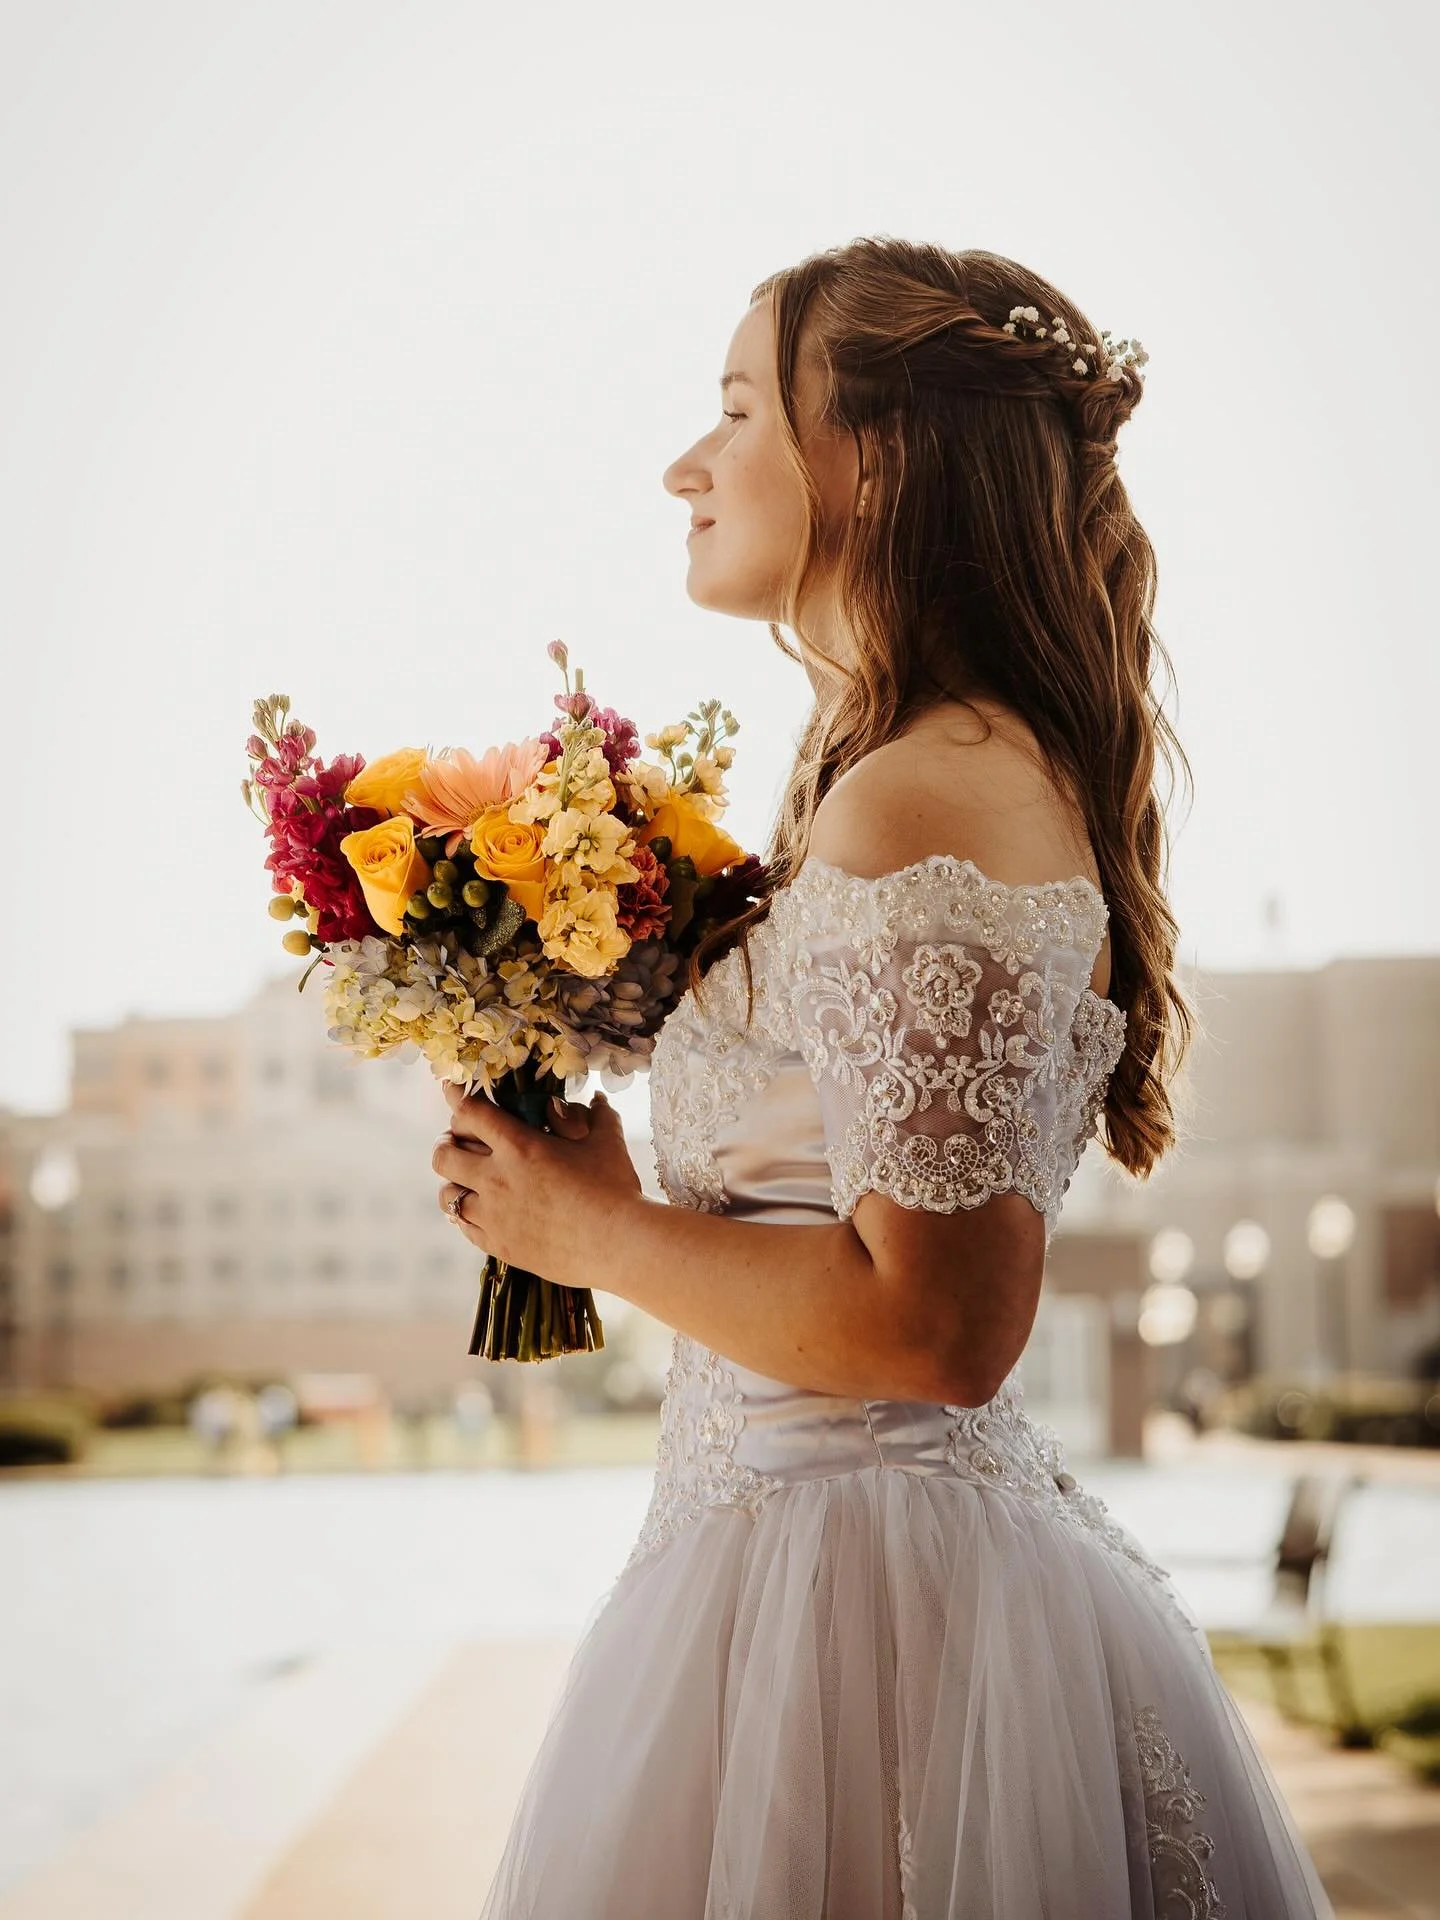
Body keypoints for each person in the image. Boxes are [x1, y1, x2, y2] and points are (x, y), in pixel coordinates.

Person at [433, 238, 1332, 1918]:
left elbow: (938, 1331)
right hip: (794, 1570)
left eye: (734, 411)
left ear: (880, 457)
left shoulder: (920, 794)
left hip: (872, 1629)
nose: (684, 466)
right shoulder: (906, 775)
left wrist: (591, 1236)